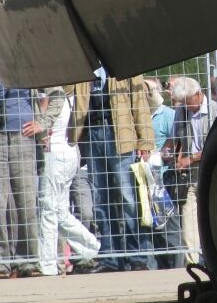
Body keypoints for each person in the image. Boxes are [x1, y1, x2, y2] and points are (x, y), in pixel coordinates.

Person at [70, 69, 156, 272]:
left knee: (128, 198)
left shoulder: (122, 61)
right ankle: (110, 258)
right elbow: (69, 90)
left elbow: (139, 101)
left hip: (120, 134)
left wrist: (145, 140)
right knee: (101, 199)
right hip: (92, 133)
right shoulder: (84, 63)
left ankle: (138, 257)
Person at [24, 86, 100, 276]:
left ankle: (48, 265)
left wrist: (40, 123)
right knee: (60, 212)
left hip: (56, 155)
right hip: (67, 154)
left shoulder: (55, 92)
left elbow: (46, 119)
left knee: (48, 210)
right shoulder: (63, 92)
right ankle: (91, 247)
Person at [0, 60, 39, 276]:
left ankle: (27, 260)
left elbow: (56, 93)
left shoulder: (27, 59)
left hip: (23, 136)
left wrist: (43, 121)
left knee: (25, 200)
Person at [166, 76, 217, 265]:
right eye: (184, 103)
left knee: (214, 217)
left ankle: (214, 259)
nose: (187, 107)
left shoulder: (216, 110)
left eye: (189, 102)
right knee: (188, 219)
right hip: (189, 176)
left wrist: (191, 158)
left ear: (198, 94)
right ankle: (193, 263)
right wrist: (168, 153)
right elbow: (175, 139)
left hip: (212, 172)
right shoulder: (181, 111)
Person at [145, 77, 181, 268]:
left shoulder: (168, 115)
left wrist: (155, 156)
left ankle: (177, 265)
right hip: (142, 177)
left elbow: (173, 146)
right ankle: (155, 267)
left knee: (169, 224)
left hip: (163, 177)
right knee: (149, 226)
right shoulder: (139, 115)